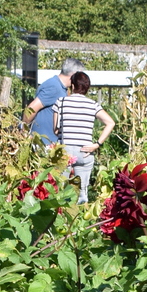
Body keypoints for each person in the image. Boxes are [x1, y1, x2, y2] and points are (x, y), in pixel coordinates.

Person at [51, 70, 112, 202]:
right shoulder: (93, 105)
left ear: (72, 86)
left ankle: (62, 213)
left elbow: (55, 130)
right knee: (82, 191)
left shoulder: (61, 102)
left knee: (60, 190)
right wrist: (97, 144)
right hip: (84, 151)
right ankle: (81, 212)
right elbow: (110, 122)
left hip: (65, 151)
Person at [23, 57, 83, 145]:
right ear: (74, 74)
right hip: (43, 144)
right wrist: (23, 131)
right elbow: (31, 109)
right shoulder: (54, 86)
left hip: (52, 144)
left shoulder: (62, 88)